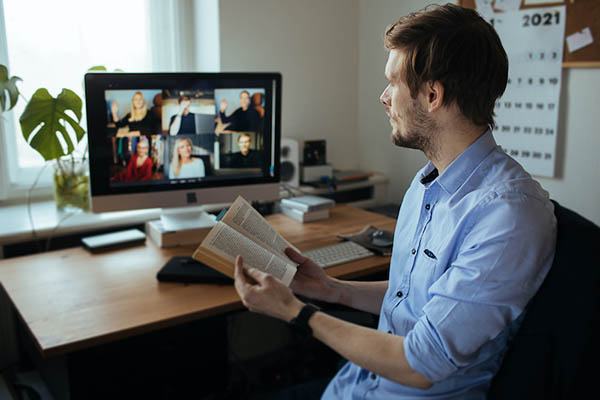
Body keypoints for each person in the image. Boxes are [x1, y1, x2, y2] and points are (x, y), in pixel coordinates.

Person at [232, 4, 557, 399]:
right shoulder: (426, 184)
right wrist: (331, 288)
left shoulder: (508, 215)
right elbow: (416, 297)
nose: (383, 97)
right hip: (359, 383)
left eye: (393, 83)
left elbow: (422, 364)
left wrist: (295, 312)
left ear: (433, 94)